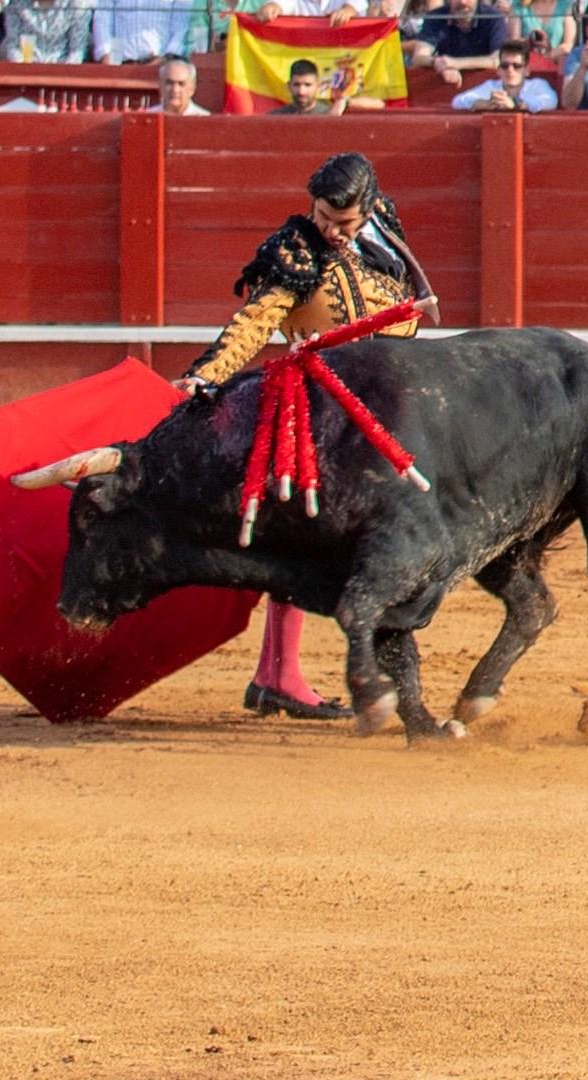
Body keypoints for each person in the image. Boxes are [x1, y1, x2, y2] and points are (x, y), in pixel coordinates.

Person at [178, 151, 437, 721]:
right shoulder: (293, 251)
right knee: (316, 536)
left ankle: (278, 675)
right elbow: (254, 322)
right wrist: (207, 375)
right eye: (322, 217)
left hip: (385, 406)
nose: (330, 231)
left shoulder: (384, 227)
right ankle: (295, 676)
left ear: (367, 211)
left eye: (343, 224)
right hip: (320, 413)